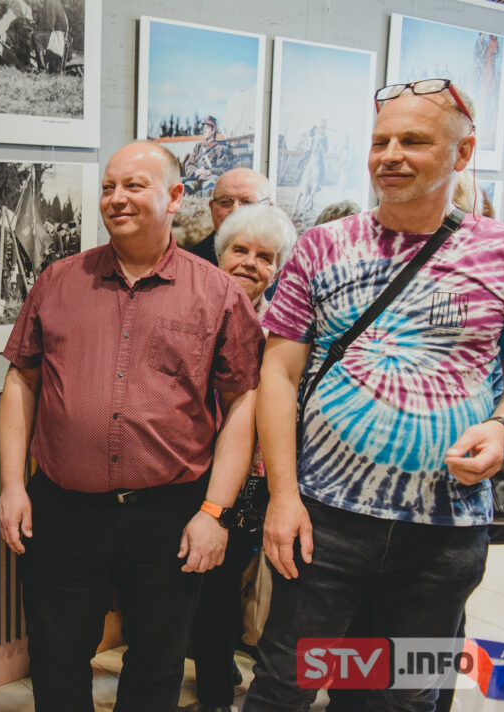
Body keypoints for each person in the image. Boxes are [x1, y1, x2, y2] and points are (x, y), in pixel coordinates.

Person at [244, 80, 504, 711]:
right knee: (287, 683)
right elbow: (276, 376)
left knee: (402, 695)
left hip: (443, 535)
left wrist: (501, 427)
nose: (389, 154)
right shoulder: (322, 246)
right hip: (327, 522)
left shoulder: (501, 255)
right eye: (379, 141)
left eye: (412, 141)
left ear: (462, 154)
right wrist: (283, 497)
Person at [0, 140, 264, 712]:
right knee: (57, 656)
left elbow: (243, 404)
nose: (116, 198)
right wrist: (14, 486)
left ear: (174, 197)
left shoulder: (216, 292)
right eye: (109, 186)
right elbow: (21, 383)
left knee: (157, 662)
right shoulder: (58, 281)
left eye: (134, 186)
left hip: (169, 512)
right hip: (64, 510)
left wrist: (214, 512)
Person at [184, 204, 297, 712]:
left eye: (265, 256)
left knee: (222, 589)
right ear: (220, 251)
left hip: (251, 482)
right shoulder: (189, 306)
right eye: (240, 250)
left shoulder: (285, 327)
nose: (251, 263)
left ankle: (213, 694)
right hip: (183, 471)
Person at [187, 167, 273, 265]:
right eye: (225, 202)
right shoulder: (190, 264)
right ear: (212, 208)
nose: (235, 211)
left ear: (268, 209)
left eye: (248, 203)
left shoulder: (285, 262)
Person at [182, 116, 233, 196]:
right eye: (204, 128)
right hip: (196, 178)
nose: (204, 130)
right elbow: (189, 164)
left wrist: (208, 172)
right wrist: (196, 172)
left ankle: (203, 193)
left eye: (207, 128)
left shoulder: (220, 148)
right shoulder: (198, 147)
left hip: (209, 178)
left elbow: (222, 168)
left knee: (210, 188)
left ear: (213, 130)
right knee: (184, 188)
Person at [31, 0, 68, 72]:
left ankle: (42, 68)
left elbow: (48, 25)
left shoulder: (51, 2)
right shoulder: (50, 2)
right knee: (37, 34)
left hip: (57, 35)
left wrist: (36, 28)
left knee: (36, 36)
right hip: (56, 34)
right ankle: (42, 66)